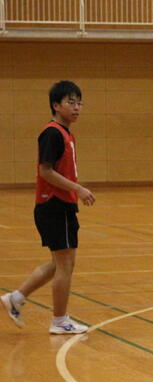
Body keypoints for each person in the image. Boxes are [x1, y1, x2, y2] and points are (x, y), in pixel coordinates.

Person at [1, 80, 95, 334]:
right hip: (55, 205)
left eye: (79, 103)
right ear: (56, 105)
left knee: (59, 264)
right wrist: (78, 189)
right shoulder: (52, 133)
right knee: (65, 265)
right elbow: (46, 171)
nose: (76, 107)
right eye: (70, 102)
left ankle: (16, 298)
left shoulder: (65, 133)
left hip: (60, 206)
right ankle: (59, 321)